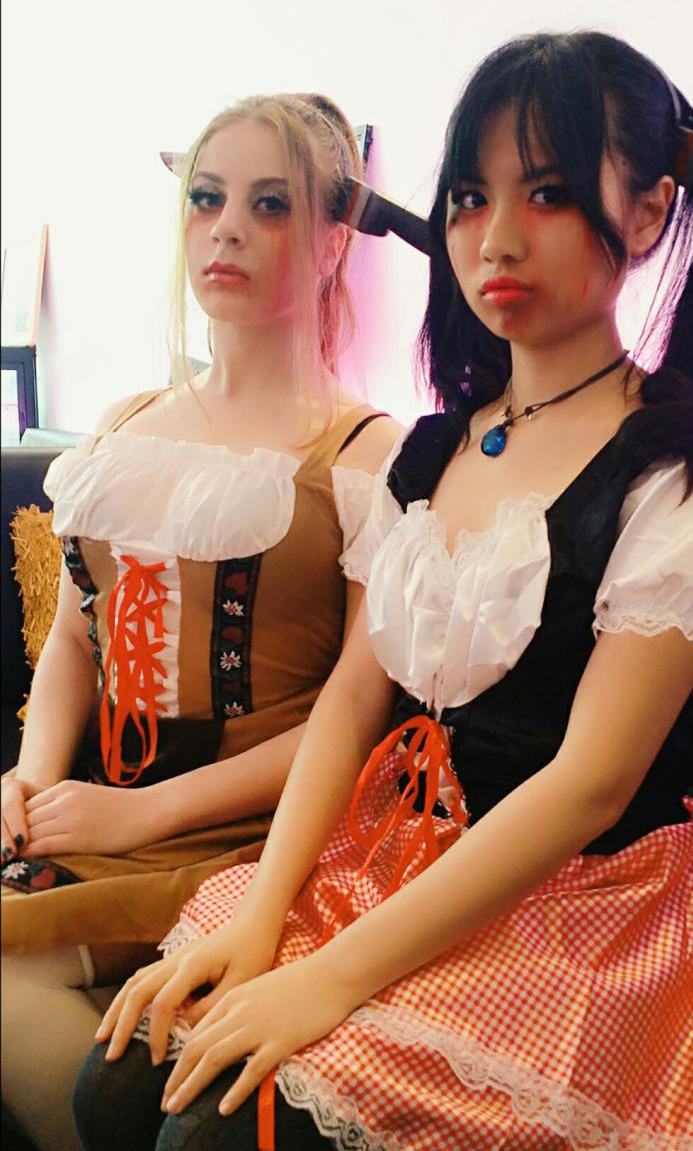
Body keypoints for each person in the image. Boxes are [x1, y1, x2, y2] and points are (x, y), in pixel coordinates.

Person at [74, 31, 693, 1151]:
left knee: (215, 1131)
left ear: (647, 213)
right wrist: (263, 919)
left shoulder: (686, 472)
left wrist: (329, 979)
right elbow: (354, 700)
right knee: (114, 1084)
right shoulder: (433, 448)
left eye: (547, 192)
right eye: (470, 198)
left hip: (576, 908)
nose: (495, 238)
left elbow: (588, 785)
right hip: (388, 860)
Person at [0, 91, 401, 1151]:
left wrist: (142, 816)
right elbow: (75, 639)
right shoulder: (126, 422)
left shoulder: (369, 452)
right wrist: (30, 782)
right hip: (90, 810)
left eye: (270, 204)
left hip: (260, 836)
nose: (226, 229)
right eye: (207, 198)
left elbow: (356, 714)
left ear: (332, 240)